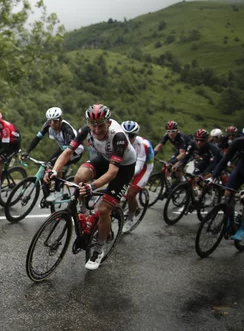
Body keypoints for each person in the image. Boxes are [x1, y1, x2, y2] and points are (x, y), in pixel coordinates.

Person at [48, 104, 136, 270]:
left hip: (123, 168)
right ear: (88, 123)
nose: (96, 130)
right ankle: (85, 213)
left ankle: (99, 249)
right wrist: (54, 171)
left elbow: (112, 173)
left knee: (103, 210)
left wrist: (92, 186)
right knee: (79, 177)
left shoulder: (118, 137)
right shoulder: (86, 130)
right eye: (93, 125)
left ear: (108, 123)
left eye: (101, 125)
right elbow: (67, 152)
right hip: (104, 158)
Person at [22, 107, 84, 192]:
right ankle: (54, 183)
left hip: (75, 151)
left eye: (55, 121)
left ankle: (57, 189)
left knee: (53, 164)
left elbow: (67, 152)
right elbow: (37, 139)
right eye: (50, 121)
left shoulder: (67, 130)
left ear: (60, 120)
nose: (52, 124)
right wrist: (27, 151)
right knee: (48, 165)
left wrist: (52, 162)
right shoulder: (47, 125)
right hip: (63, 148)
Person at [120, 121, 154, 231]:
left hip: (144, 166)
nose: (128, 138)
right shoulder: (119, 140)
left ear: (136, 135)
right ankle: (134, 206)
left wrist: (128, 174)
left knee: (131, 193)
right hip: (131, 163)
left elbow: (139, 163)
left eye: (132, 135)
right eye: (126, 135)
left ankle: (130, 218)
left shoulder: (142, 144)